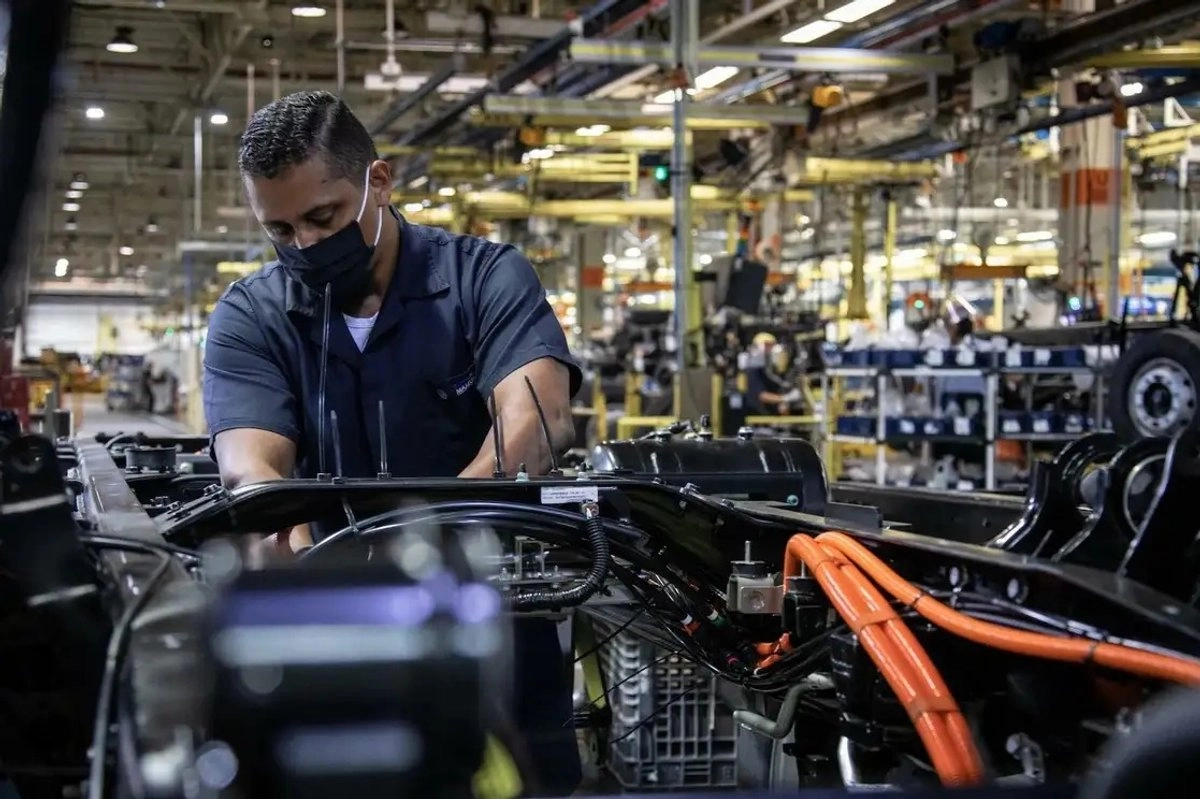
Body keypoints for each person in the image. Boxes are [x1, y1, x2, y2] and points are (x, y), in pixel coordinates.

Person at [201, 91, 582, 796]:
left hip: (495, 638)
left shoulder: (484, 278)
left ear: (379, 180)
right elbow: (251, 472)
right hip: (323, 648)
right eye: (280, 230)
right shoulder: (251, 315)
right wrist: (272, 518)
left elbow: (536, 423)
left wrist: (429, 537)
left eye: (324, 217)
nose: (307, 246)